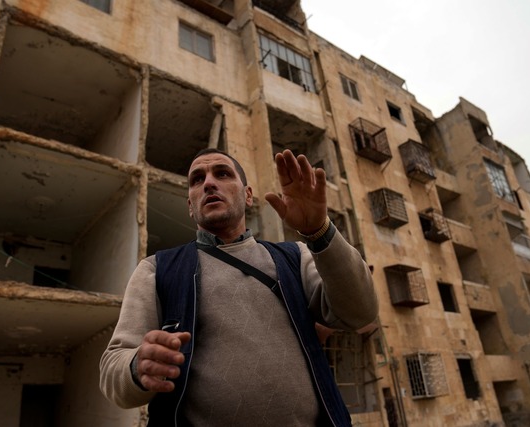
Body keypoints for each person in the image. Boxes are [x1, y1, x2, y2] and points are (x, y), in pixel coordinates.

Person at [100, 148, 378, 426]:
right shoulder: (157, 269)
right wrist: (138, 365)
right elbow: (113, 368)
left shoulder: (296, 256)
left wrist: (319, 230)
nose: (208, 183)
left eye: (222, 173)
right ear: (190, 205)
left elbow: (360, 312)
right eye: (197, 179)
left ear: (247, 195)